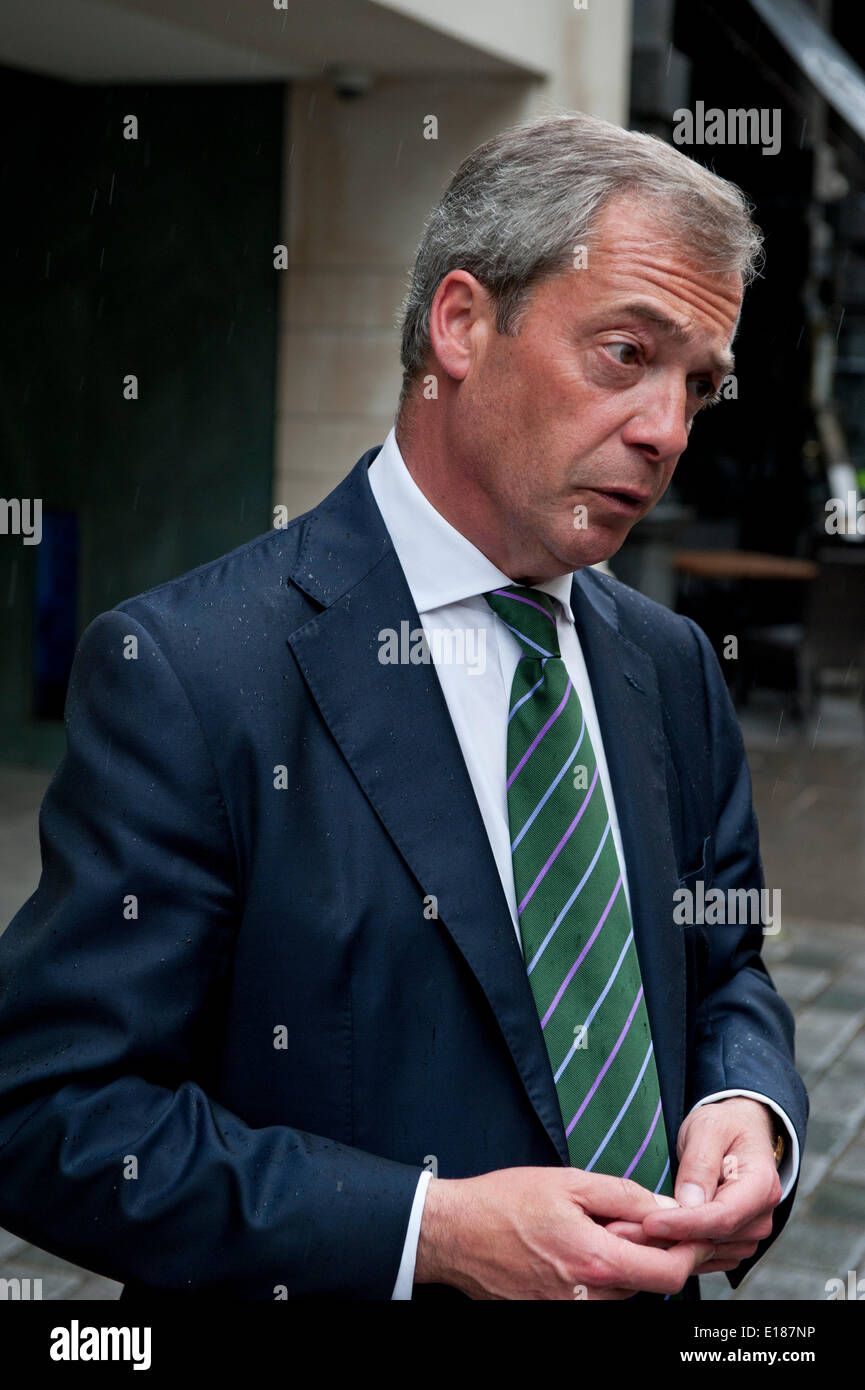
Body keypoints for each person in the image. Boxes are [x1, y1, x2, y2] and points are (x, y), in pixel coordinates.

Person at [0, 110, 807, 1302]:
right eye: (626, 355)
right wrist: (422, 1230)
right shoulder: (192, 671)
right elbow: (47, 1112)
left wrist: (750, 1102)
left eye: (700, 384)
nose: (666, 431)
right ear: (462, 325)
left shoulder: (672, 664)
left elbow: (723, 962)